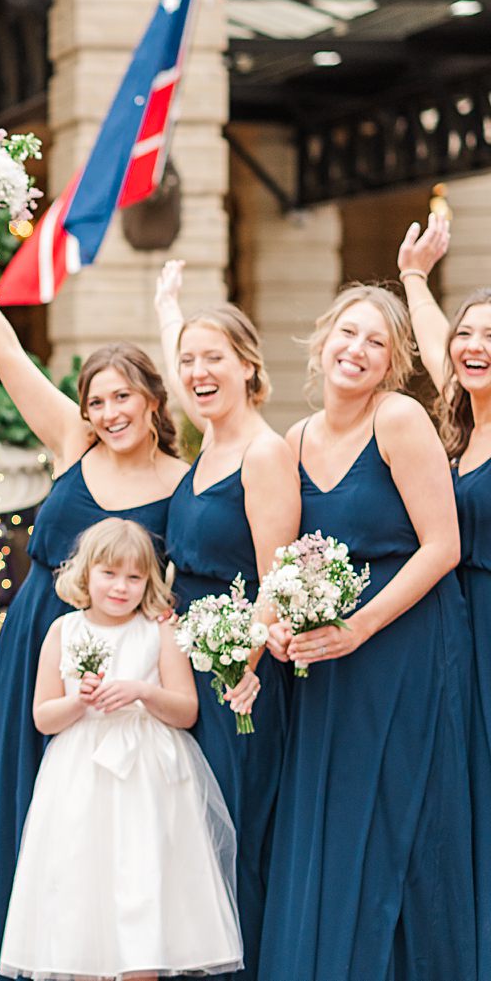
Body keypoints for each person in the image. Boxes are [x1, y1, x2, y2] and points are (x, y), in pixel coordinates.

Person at [0, 210, 190, 981]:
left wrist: (171, 315)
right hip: (40, 641)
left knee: (112, 830)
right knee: (31, 807)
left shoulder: (183, 485)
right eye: (97, 400)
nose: (109, 413)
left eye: (123, 397)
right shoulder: (72, 446)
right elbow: (5, 353)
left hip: (127, 660)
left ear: (153, 399)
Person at [259, 285, 474, 980]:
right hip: (331, 659)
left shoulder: (399, 419)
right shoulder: (293, 440)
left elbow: (442, 546)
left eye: (375, 342)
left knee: (402, 821)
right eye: (347, 334)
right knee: (337, 818)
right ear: (322, 342)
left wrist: (359, 626)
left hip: (407, 643)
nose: (356, 349)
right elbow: (294, 559)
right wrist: (284, 626)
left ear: (391, 363)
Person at [0, 518, 241, 980]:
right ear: (85, 573)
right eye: (110, 573)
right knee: (79, 888)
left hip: (146, 781)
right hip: (79, 778)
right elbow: (43, 716)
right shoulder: (63, 631)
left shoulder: (159, 631)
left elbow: (186, 709)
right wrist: (79, 700)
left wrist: (140, 691)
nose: (121, 587)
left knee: (141, 885)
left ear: (148, 582)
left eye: (134, 577)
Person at [154, 262, 295, 981]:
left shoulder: (264, 453)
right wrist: (167, 306)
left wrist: (245, 661)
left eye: (215, 358)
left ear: (249, 367)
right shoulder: (205, 441)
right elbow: (186, 370)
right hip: (190, 668)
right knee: (195, 835)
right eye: (188, 362)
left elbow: (278, 576)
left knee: (237, 831)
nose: (198, 372)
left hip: (240, 681)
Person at [395, 210, 491, 979]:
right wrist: (416, 279)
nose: (475, 344)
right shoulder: (458, 427)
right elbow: (438, 351)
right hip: (454, 630)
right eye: (470, 332)